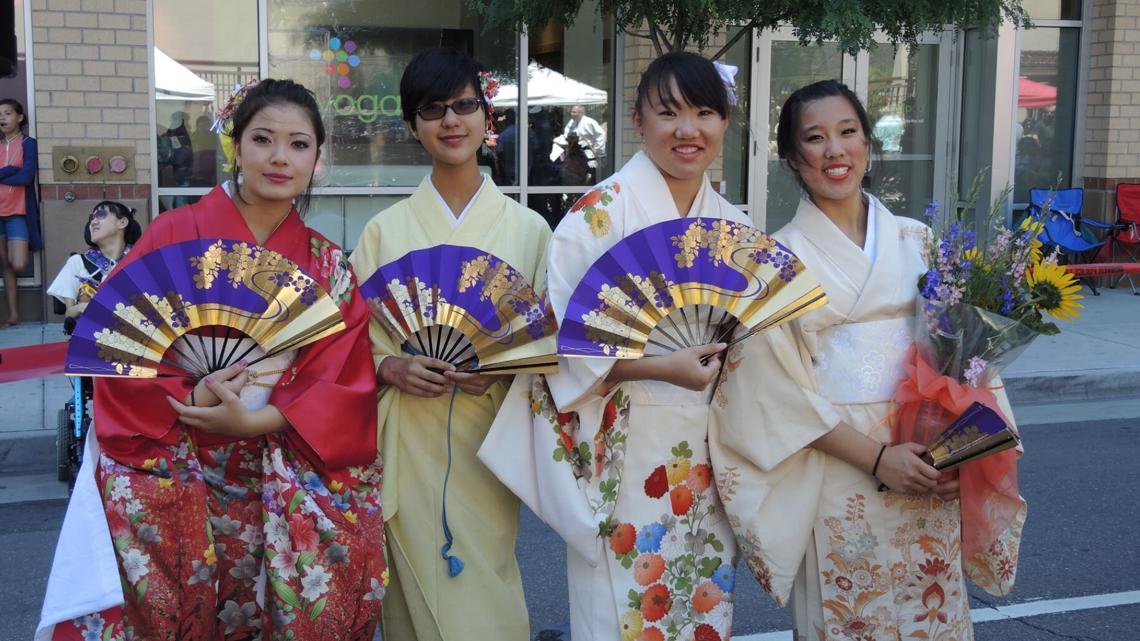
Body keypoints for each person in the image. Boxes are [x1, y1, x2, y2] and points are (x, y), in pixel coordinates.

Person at [37, 79, 385, 641]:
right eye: (262, 139)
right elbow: (122, 346)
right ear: (236, 148)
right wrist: (191, 397)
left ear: (316, 159)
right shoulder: (175, 233)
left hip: (278, 456)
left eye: (298, 145)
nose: (279, 157)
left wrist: (260, 419)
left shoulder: (325, 262)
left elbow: (343, 376)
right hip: (186, 451)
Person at [709, 80, 1024, 640]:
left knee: (933, 614)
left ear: (868, 143)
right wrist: (878, 459)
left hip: (928, 458)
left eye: (848, 132)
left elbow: (969, 361)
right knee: (852, 616)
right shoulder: (777, 261)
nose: (835, 150)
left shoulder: (919, 240)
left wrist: (964, 456)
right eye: (815, 138)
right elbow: (771, 393)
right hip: (840, 466)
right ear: (791, 157)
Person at [481, 51, 744, 641]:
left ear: (725, 122)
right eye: (668, 112)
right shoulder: (597, 216)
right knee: (620, 608)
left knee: (703, 603)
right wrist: (662, 367)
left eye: (705, 112)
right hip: (621, 440)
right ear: (638, 119)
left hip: (710, 449)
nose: (687, 129)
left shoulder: (731, 224)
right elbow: (567, 346)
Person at [348, 47, 551, 641]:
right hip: (406, 442)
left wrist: (506, 369)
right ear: (413, 126)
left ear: (487, 117)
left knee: (489, 593)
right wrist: (390, 367)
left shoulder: (529, 230)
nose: (451, 121)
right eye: (433, 109)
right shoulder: (384, 230)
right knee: (413, 603)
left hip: (490, 443)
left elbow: (546, 347)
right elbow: (344, 344)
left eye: (465, 105)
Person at [47, 201, 141, 334]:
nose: (93, 222)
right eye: (92, 218)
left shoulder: (139, 262)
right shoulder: (77, 262)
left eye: (101, 215)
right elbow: (69, 313)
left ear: (122, 223)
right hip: (92, 337)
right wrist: (83, 307)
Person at [0, 98, 41, 328]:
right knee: (4, 265)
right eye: (0, 114)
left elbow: (26, 177)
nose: (2, 118)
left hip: (17, 213)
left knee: (16, 263)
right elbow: (15, 173)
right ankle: (13, 315)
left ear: (19, 117)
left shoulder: (28, 143)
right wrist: (7, 170)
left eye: (7, 113)